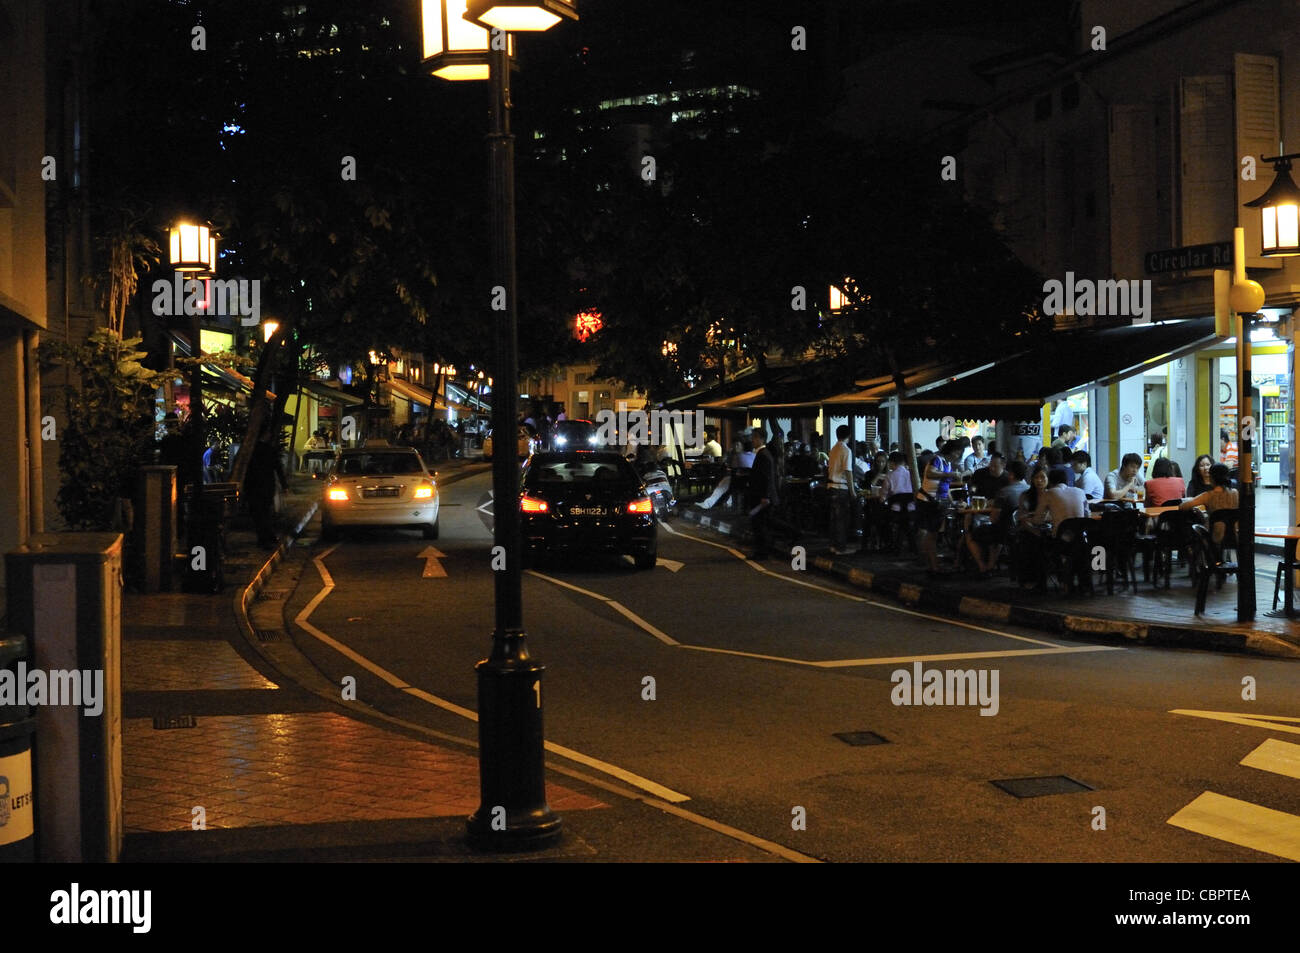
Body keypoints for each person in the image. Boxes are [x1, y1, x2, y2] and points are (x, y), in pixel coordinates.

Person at [966, 459, 1028, 573]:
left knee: (970, 535)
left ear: (1011, 474)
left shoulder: (1004, 492)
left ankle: (982, 566)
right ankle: (991, 565)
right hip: (1023, 529)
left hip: (1005, 532)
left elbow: (993, 518)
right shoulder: (1028, 489)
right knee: (997, 537)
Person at [246, 430, 289, 550]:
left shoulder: (251, 450)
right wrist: (284, 485)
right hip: (266, 486)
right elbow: (278, 468)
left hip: (254, 486)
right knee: (265, 513)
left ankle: (264, 537)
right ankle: (267, 537)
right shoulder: (269, 450)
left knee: (258, 514)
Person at [1179, 463, 1239, 543]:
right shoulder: (1235, 493)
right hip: (1234, 536)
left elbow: (1182, 507)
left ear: (1212, 478)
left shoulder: (1208, 495)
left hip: (1215, 538)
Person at [745, 430, 781, 559]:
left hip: (763, 496)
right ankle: (762, 550)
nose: (752, 440)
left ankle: (762, 552)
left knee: (761, 525)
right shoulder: (762, 454)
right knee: (764, 524)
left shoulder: (763, 455)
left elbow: (766, 478)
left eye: (754, 438)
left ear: (761, 439)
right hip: (762, 495)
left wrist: (765, 496)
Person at [827, 424, 857, 555]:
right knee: (842, 519)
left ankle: (833, 545)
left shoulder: (833, 449)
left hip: (831, 486)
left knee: (834, 518)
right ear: (849, 436)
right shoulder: (846, 450)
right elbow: (848, 472)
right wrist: (852, 491)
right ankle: (840, 547)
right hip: (841, 488)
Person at [1031, 469, 1089, 534]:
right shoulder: (1080, 491)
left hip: (1061, 538)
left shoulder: (1049, 493)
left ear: (1050, 481)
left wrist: (1029, 519)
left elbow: (1037, 520)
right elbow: (1087, 515)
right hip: (1081, 537)